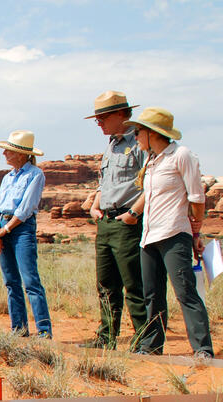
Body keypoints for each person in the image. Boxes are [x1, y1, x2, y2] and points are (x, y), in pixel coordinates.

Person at [125, 107, 213, 358]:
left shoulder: (181, 155)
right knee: (152, 294)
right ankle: (151, 347)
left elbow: (197, 199)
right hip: (149, 237)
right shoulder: (152, 160)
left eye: (138, 131)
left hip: (174, 234)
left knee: (185, 291)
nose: (136, 136)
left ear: (152, 133)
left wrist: (196, 234)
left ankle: (202, 349)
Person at [82, 90, 147, 350]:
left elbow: (150, 183)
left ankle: (145, 340)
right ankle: (106, 338)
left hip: (127, 222)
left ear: (121, 114)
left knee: (133, 284)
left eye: (102, 118)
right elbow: (105, 183)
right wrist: (95, 207)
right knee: (106, 284)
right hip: (106, 222)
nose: (99, 124)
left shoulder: (140, 142)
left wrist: (133, 214)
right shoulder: (112, 145)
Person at [0, 130, 52, 338]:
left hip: (20, 228)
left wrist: (4, 230)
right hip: (3, 227)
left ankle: (43, 331)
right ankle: (19, 330)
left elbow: (25, 209)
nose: (4, 153)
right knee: (11, 282)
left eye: (9, 150)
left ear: (21, 154)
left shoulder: (35, 174)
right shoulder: (7, 178)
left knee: (30, 281)